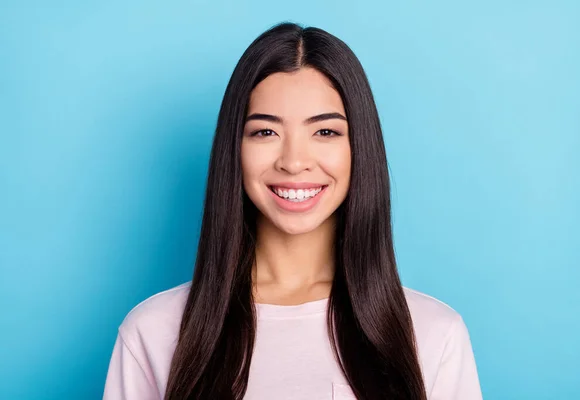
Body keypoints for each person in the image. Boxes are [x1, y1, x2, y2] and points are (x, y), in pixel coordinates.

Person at [102, 22, 483, 400]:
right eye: (265, 132)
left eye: (325, 132)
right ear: (234, 149)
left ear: (359, 149)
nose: (294, 161)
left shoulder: (433, 335)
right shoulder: (152, 333)